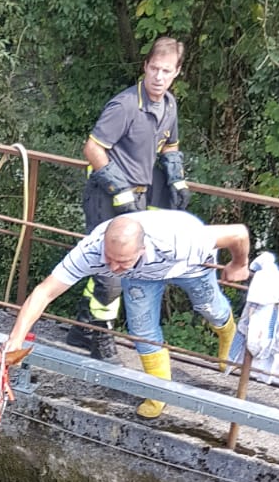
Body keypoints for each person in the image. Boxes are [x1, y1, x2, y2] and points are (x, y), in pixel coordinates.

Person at [5, 209, 250, 420]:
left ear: (142, 249)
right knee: (141, 329)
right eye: (109, 259)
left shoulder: (181, 240)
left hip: (190, 267)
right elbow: (45, 292)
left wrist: (239, 263)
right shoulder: (92, 250)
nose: (113, 268)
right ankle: (159, 392)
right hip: (140, 275)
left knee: (210, 308)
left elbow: (238, 233)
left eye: (121, 261)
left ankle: (227, 333)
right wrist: (16, 338)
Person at [74, 36, 191, 360]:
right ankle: (101, 335)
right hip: (106, 194)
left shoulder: (169, 106)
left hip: (138, 199)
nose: (159, 77)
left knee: (118, 264)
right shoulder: (125, 105)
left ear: (177, 72)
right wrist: (120, 190)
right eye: (154, 69)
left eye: (166, 71)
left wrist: (177, 178)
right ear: (145, 66)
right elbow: (93, 148)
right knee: (112, 267)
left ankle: (82, 325)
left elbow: (170, 146)